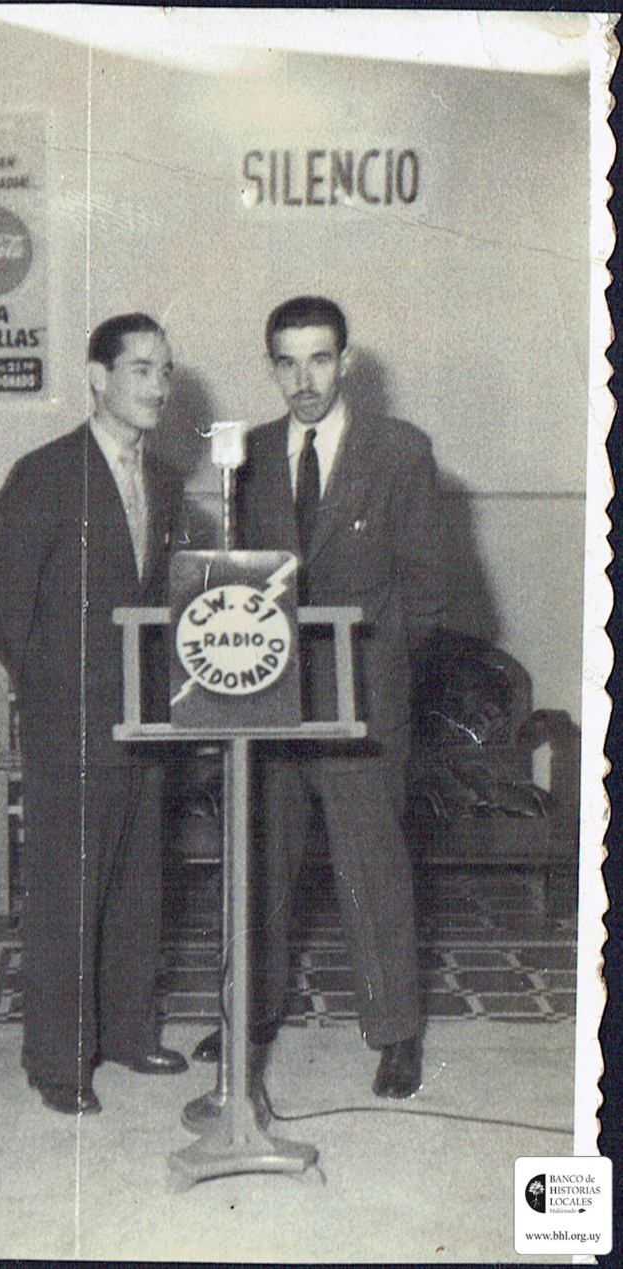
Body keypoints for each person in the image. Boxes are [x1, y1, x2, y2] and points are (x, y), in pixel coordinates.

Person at [194, 296, 445, 1099]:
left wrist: (381, 675)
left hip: (363, 700)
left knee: (373, 867)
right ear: (271, 365)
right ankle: (249, 1015)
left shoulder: (400, 451)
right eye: (287, 362)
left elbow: (429, 590)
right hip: (267, 699)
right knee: (260, 862)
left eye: (319, 359)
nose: (303, 380)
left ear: (347, 362)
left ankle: (396, 1032)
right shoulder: (249, 456)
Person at [0, 313, 188, 1116]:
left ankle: (127, 1032)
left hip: (145, 717)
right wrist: (54, 690)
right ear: (98, 379)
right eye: (141, 369)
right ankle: (58, 1060)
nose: (158, 387)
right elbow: (0, 603)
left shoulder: (165, 480)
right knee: (66, 890)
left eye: (165, 371)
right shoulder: (46, 473)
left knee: (138, 882)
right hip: (70, 719)